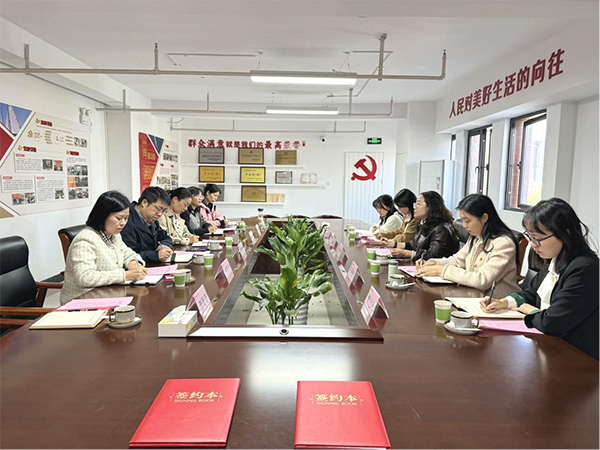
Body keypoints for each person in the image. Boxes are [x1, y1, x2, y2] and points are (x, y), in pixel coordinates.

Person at [480, 198, 599, 360]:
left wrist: (532, 311)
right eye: (530, 237)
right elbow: (531, 293)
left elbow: (552, 322)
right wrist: (504, 302)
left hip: (577, 358)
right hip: (549, 348)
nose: (533, 245)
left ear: (565, 234)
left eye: (538, 238)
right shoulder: (555, 260)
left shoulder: (584, 269)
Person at [416, 194, 520, 298]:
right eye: (462, 220)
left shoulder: (504, 244)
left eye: (468, 221)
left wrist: (442, 270)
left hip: (495, 303)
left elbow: (482, 280)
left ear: (484, 218)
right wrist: (434, 263)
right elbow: (456, 261)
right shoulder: (475, 237)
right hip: (472, 297)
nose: (464, 225)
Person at [60, 191, 147, 305]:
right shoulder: (85, 240)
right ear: (103, 215)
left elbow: (127, 253)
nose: (123, 223)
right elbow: (85, 277)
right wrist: (125, 275)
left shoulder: (114, 235)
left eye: (126, 218)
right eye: (119, 218)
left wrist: (133, 263)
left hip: (108, 295)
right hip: (82, 303)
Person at [391, 191, 459, 260]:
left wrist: (406, 253)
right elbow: (414, 245)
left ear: (430, 207)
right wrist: (393, 244)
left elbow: (434, 255)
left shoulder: (441, 229)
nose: (414, 207)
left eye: (418, 204)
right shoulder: (423, 223)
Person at [121, 186, 174, 263]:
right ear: (144, 203)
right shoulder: (126, 220)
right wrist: (155, 255)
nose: (160, 214)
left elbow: (165, 237)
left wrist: (164, 246)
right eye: (158, 209)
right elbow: (127, 255)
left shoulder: (151, 218)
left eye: (163, 211)